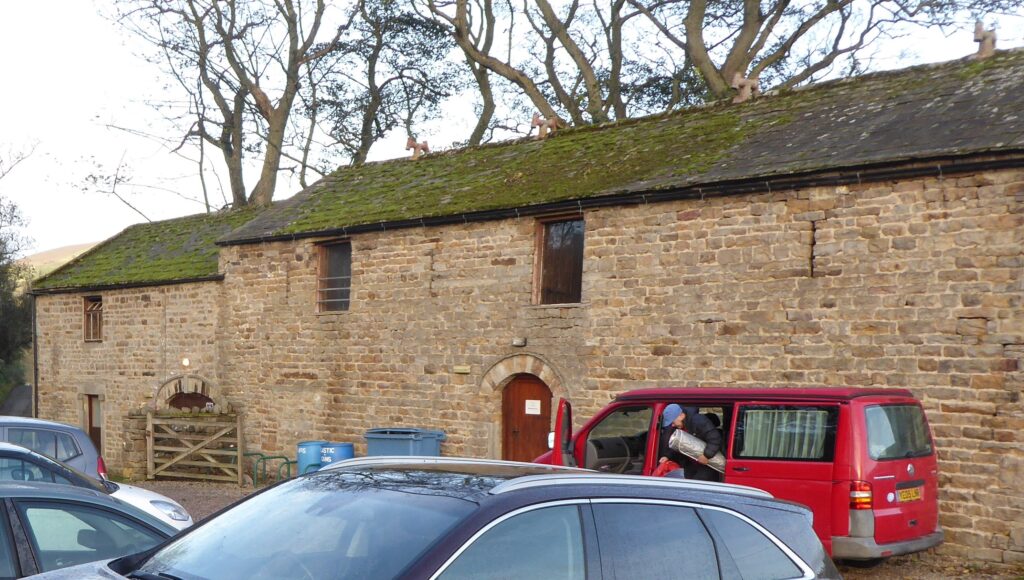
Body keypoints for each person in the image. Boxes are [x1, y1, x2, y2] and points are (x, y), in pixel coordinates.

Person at [659, 405, 722, 482]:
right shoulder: (679, 427)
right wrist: (667, 456)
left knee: (697, 486)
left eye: (673, 422)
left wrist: (706, 455)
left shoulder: (698, 421)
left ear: (681, 416)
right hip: (692, 463)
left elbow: (715, 438)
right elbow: (678, 444)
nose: (672, 425)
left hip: (708, 464)